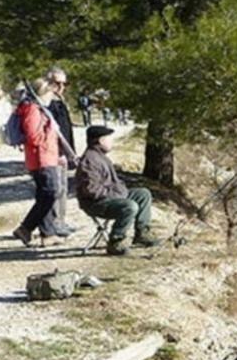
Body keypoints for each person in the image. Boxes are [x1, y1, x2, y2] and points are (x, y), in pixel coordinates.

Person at [75, 125, 160, 255]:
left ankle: (142, 233)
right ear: (100, 140)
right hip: (95, 203)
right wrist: (116, 194)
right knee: (129, 206)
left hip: (110, 198)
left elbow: (114, 183)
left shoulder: (100, 156)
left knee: (143, 194)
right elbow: (91, 190)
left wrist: (120, 191)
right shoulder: (89, 161)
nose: (111, 142)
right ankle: (115, 241)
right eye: (109, 139)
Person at [12, 79, 61, 247]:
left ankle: (47, 234)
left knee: (45, 196)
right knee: (50, 194)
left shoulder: (37, 109)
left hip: (45, 158)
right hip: (41, 159)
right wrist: (50, 128)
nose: (53, 96)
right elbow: (34, 137)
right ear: (43, 93)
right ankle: (25, 228)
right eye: (51, 93)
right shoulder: (32, 110)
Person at [40, 66, 76, 237]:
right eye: (57, 83)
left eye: (64, 83)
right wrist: (60, 153)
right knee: (57, 190)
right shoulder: (47, 103)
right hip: (54, 154)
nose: (61, 87)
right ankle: (54, 225)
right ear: (49, 82)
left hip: (62, 153)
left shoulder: (58, 100)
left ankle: (60, 222)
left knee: (62, 189)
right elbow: (51, 133)